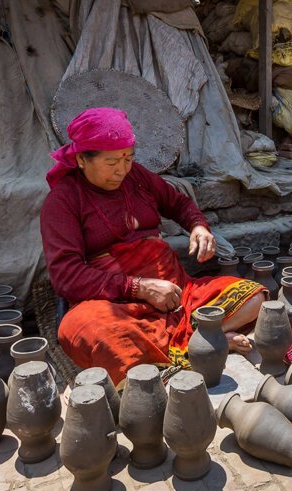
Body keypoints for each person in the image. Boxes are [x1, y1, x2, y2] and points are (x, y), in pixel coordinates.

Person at [40, 108, 266, 386]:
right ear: (81, 160)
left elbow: (178, 203)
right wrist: (139, 288)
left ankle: (195, 341)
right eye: (112, 162)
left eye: (128, 158)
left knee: (254, 297)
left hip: (176, 293)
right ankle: (204, 340)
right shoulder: (62, 202)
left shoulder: (136, 177)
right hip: (115, 303)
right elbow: (66, 276)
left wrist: (198, 226)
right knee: (83, 330)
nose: (123, 169)